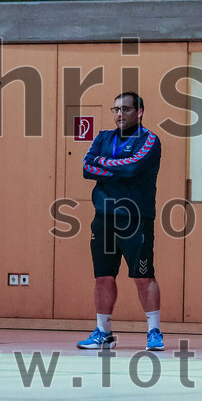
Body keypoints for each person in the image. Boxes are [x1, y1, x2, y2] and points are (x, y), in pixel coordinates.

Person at [78, 91, 163, 351]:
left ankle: (154, 332)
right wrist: (118, 168)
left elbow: (132, 167)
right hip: (104, 217)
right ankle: (103, 333)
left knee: (143, 276)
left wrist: (106, 166)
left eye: (125, 109)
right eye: (115, 109)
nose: (119, 114)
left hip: (136, 218)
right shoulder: (103, 137)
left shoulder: (149, 139)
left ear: (139, 112)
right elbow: (86, 167)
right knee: (103, 276)